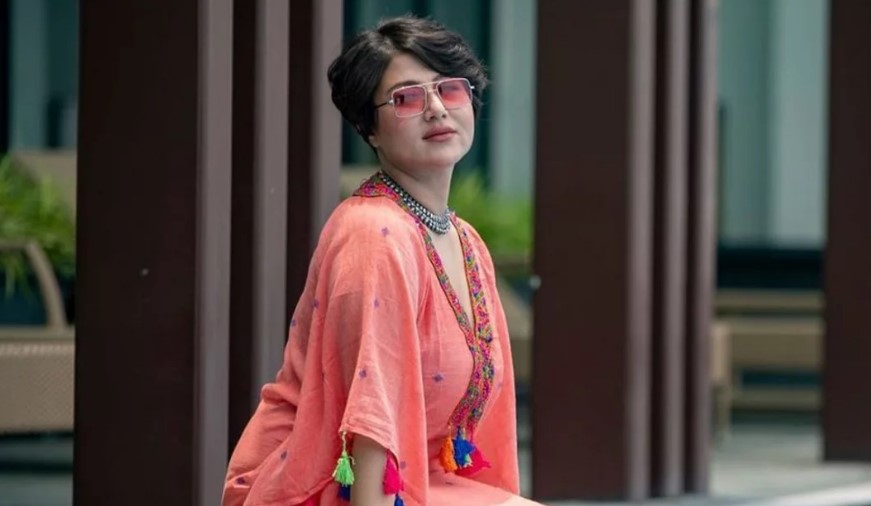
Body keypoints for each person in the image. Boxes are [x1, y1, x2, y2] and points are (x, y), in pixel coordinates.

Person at [223, 15, 542, 506]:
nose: (436, 108)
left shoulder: (466, 242)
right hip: (330, 487)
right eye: (407, 98)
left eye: (450, 89)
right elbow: (369, 420)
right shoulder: (375, 234)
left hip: (425, 482)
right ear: (367, 128)